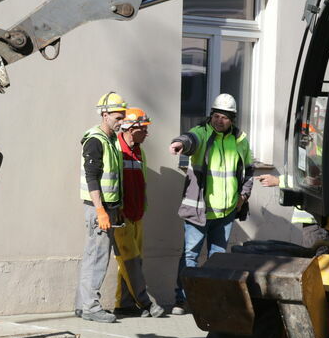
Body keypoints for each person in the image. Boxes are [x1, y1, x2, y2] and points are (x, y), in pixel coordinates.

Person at [168, 93, 254, 314]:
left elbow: (249, 171)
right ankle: (183, 300)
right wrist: (179, 144)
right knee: (190, 255)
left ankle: (211, 300)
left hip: (226, 212)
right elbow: (190, 139)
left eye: (224, 117)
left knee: (218, 258)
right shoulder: (203, 133)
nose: (218, 120)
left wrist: (243, 197)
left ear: (232, 119)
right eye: (215, 116)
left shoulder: (240, 140)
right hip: (200, 211)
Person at [75, 91, 128, 323]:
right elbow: (92, 177)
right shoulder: (96, 140)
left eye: (123, 116)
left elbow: (114, 178)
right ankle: (91, 307)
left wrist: (117, 207)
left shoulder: (111, 140)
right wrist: (100, 210)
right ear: (104, 114)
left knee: (92, 255)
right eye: (118, 117)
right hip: (99, 208)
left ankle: (82, 305)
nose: (121, 121)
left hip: (108, 207)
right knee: (97, 257)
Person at [113, 108, 165, 318]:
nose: (146, 133)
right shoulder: (116, 147)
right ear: (130, 128)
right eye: (143, 129)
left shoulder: (139, 151)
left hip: (136, 214)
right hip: (121, 215)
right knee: (130, 261)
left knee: (132, 261)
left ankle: (124, 304)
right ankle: (145, 303)